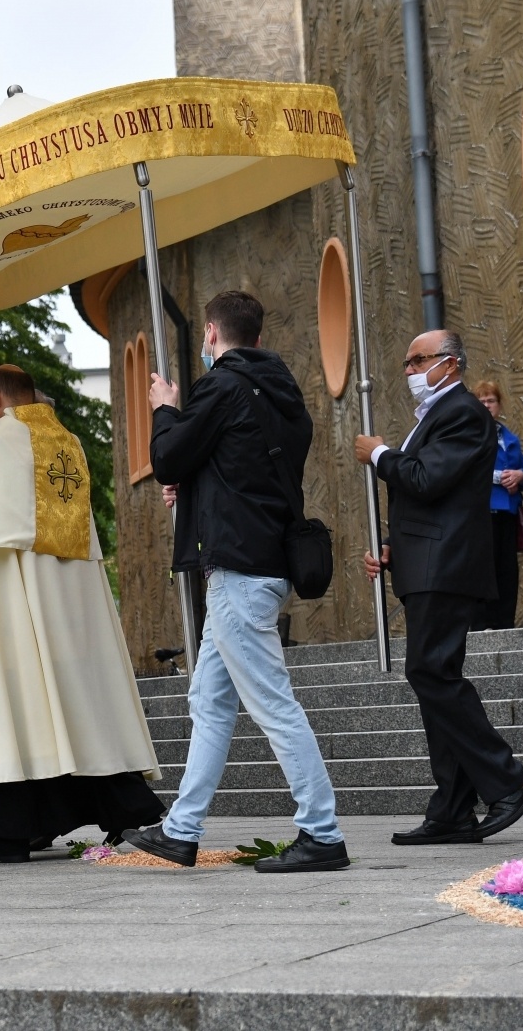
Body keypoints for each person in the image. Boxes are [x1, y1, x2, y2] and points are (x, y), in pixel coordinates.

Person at [122, 291, 347, 873]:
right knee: (210, 701)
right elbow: (242, 471)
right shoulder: (281, 390)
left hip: (238, 573)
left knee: (273, 704)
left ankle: (322, 833)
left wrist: (166, 407)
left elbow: (169, 455)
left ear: (212, 334)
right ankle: (181, 830)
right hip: (263, 561)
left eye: (204, 337)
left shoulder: (221, 386)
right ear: (258, 336)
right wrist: (194, 489)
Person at [0, 364, 163, 865]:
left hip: (8, 603)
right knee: (74, 704)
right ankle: (125, 810)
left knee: (14, 705)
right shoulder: (68, 442)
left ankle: (11, 830)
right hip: (69, 603)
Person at [355, 329, 523, 844]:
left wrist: (378, 455)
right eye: (407, 362)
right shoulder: (436, 417)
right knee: (434, 678)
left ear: (451, 363)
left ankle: (510, 780)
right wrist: (396, 546)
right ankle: (453, 807)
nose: (411, 370)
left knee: (431, 673)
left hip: (448, 567)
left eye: (420, 360)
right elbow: (432, 500)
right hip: (430, 563)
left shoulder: (463, 413)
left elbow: (424, 478)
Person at [471, 382, 523, 631]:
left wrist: (520, 476)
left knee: (507, 571)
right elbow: (468, 469)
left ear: (499, 405)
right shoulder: (470, 434)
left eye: (491, 401)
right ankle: (482, 622)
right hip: (481, 513)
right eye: (482, 401)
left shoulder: (509, 437)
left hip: (508, 512)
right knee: (482, 569)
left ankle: (504, 622)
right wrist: (502, 478)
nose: (487, 406)